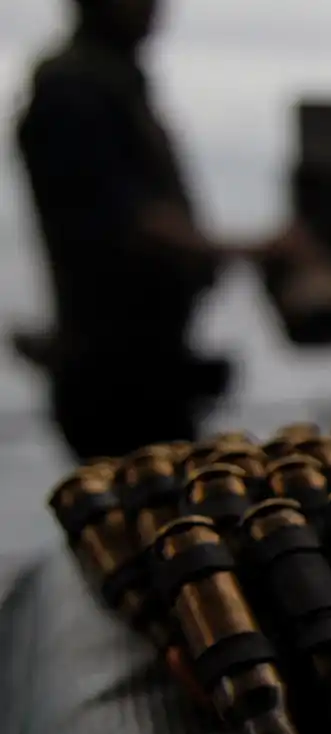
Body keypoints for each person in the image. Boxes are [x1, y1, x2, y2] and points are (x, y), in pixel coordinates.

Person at [14, 0, 248, 459]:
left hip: (143, 367)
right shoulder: (74, 90)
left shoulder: (106, 83)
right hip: (115, 377)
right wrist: (259, 248)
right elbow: (126, 220)